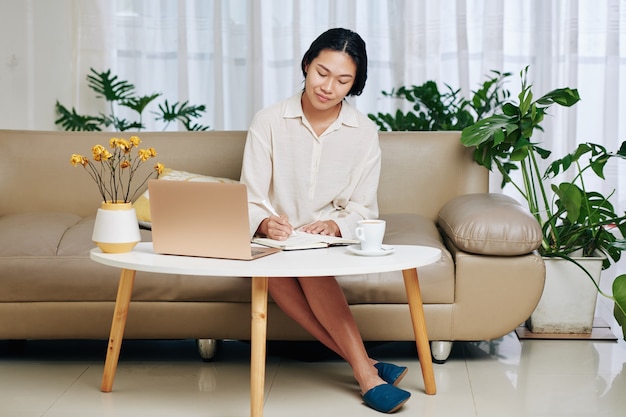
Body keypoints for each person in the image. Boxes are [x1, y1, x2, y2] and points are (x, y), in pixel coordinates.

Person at [240, 28, 411, 414]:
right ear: (306, 65)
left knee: (309, 267)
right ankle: (365, 368)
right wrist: (266, 224)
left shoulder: (364, 133)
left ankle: (365, 373)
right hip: (274, 242)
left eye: (343, 80)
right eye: (321, 72)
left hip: (324, 246)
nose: (328, 87)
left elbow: (364, 208)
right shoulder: (268, 121)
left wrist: (335, 227)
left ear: (355, 84)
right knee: (269, 269)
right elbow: (250, 196)